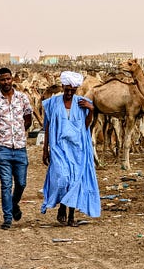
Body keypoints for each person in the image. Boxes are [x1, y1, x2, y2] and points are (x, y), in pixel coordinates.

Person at [41, 71, 101, 227]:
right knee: (62, 178)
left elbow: (86, 126)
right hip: (58, 147)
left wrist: (91, 109)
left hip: (77, 149)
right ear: (62, 86)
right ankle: (62, 207)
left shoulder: (82, 103)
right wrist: (45, 149)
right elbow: (47, 127)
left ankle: (71, 216)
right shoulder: (52, 103)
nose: (68, 93)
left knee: (75, 181)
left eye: (72, 90)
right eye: (66, 89)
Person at [0, 68, 33, 230]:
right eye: (2, 80)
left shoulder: (22, 98)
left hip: (19, 147)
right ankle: (7, 218)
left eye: (8, 79)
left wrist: (18, 132)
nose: (6, 82)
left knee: (21, 183)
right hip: (2, 148)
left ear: (12, 80)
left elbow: (28, 119)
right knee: (5, 184)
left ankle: (13, 203)